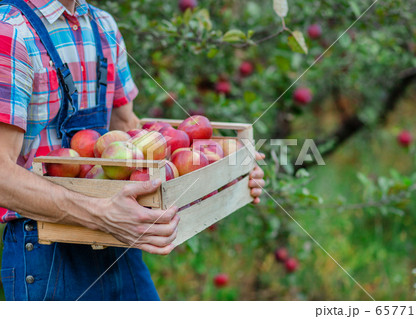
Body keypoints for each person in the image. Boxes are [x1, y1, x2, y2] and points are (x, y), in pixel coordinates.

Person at [0, 0, 265, 301]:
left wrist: (225, 171)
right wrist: (101, 214)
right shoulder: (10, 32)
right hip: (48, 248)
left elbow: (129, 131)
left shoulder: (101, 26)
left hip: (119, 240)